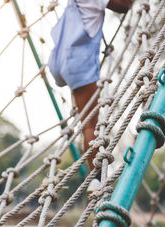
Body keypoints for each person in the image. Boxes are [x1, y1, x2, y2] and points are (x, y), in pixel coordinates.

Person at [48, 0, 132, 193]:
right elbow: (123, 5)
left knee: (86, 123)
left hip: (63, 59)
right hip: (78, 60)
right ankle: (97, 179)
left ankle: (95, 176)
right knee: (91, 125)